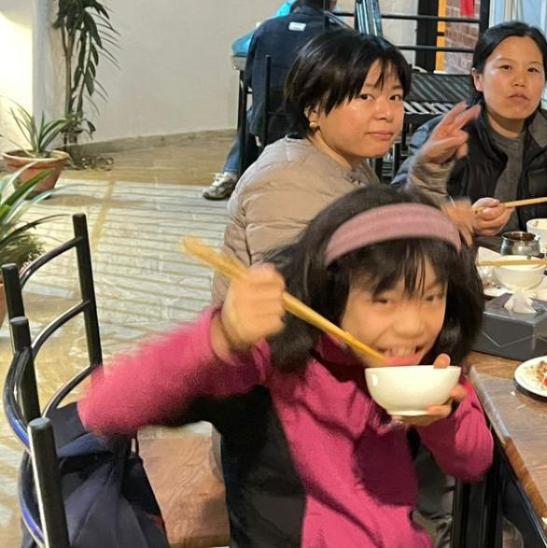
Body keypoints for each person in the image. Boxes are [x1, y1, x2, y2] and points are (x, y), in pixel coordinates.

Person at [79, 187, 492, 546]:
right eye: (383, 300)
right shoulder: (272, 360)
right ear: (334, 291)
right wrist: (219, 339)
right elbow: (104, 408)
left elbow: (473, 462)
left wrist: (443, 416)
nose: (413, 326)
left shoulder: (424, 363)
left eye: (431, 297)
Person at [216, 28, 410, 301]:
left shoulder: (348, 164)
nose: (387, 113)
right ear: (314, 109)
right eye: (365, 97)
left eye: (395, 97)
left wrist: (429, 172)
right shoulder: (286, 181)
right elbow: (299, 300)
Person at [396, 22, 547, 237]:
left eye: (532, 70)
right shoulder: (443, 136)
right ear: (478, 79)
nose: (520, 81)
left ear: (545, 81)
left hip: (535, 257)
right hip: (461, 256)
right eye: (506, 67)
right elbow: (399, 219)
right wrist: (463, 225)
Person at [204, 0, 346, 201]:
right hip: (309, 123)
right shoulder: (335, 36)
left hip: (266, 121)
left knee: (254, 110)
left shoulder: (267, 28)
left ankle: (233, 172)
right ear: (333, 2)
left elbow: (250, 78)